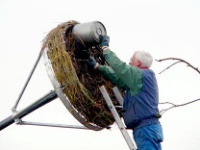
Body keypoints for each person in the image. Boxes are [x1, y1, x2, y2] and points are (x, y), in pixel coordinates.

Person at [88, 35, 163, 150]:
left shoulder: (140, 75)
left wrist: (105, 48)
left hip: (145, 129)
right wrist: (99, 67)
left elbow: (120, 67)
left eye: (131, 60)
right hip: (148, 128)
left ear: (138, 63)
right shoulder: (140, 79)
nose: (129, 62)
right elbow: (119, 79)